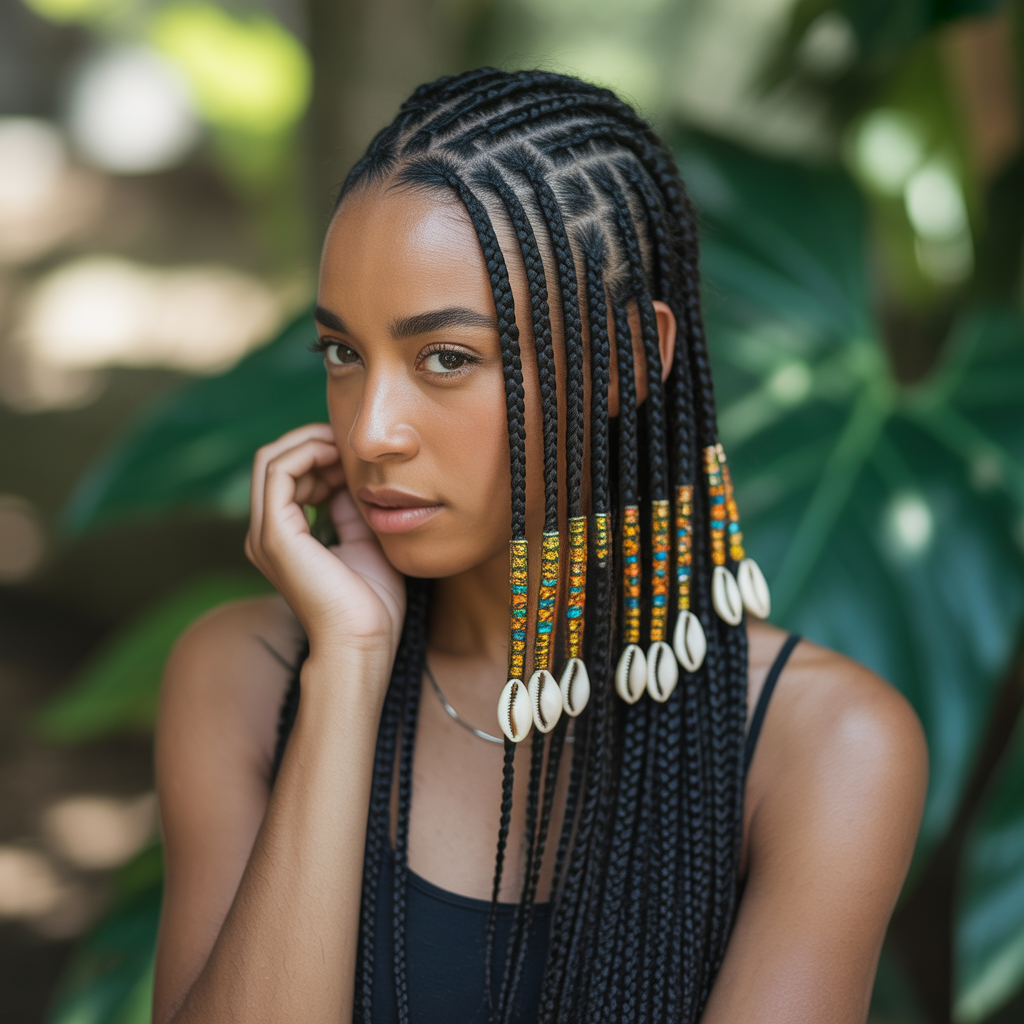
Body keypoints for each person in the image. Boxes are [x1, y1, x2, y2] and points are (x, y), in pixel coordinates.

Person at [152, 69, 928, 1024]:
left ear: (629, 361)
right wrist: (348, 674)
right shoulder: (248, 676)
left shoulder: (821, 746)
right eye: (343, 354)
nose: (370, 432)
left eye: (447, 358)